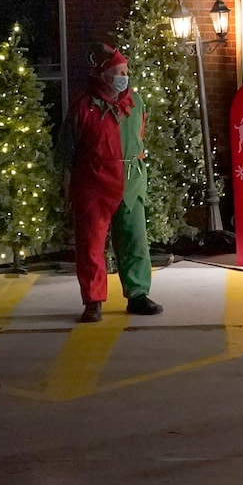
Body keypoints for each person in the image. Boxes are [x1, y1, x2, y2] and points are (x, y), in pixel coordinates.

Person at [67, 45, 163, 323]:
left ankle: (137, 295)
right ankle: (93, 300)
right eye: (120, 72)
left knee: (135, 242)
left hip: (130, 184)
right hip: (94, 186)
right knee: (91, 245)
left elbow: (140, 137)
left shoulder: (136, 103)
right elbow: (68, 147)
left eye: (126, 71)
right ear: (105, 76)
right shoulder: (84, 107)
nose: (125, 76)